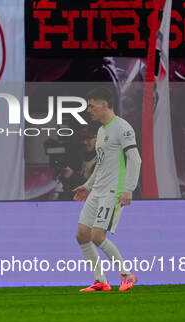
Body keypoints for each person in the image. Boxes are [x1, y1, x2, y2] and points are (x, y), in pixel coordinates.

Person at [71, 88, 141, 292]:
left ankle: (127, 274)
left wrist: (128, 189)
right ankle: (100, 281)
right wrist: (88, 186)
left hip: (113, 191)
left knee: (97, 236)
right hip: (97, 191)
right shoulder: (101, 131)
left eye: (91, 106)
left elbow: (135, 159)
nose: (89, 110)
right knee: (82, 235)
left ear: (104, 105)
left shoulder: (122, 127)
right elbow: (100, 165)